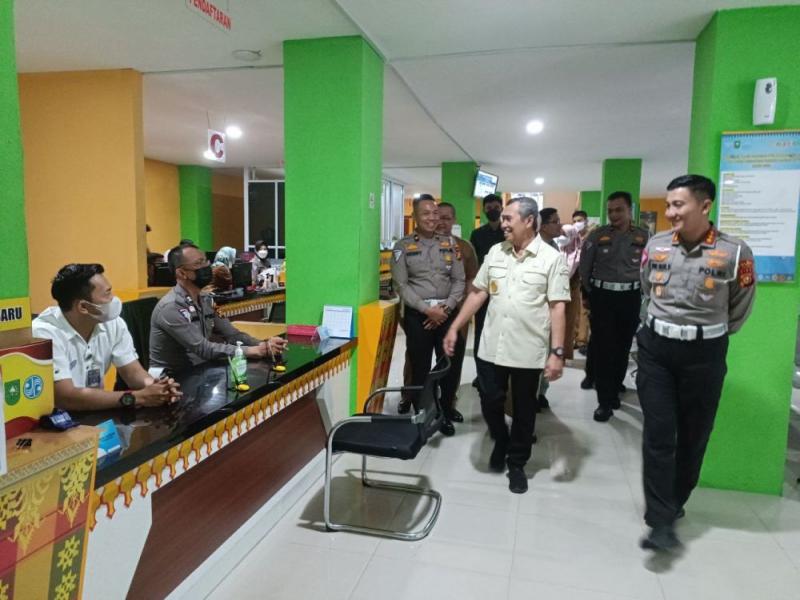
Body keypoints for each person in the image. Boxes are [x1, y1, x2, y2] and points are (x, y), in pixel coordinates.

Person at [637, 174, 755, 551]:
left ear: (705, 206)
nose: (670, 212)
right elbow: (647, 287)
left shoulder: (736, 252)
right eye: (668, 205)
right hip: (656, 349)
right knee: (658, 434)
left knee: (693, 435)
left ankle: (674, 503)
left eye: (678, 205)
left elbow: (740, 306)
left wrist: (704, 333)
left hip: (704, 355)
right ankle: (660, 519)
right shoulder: (656, 245)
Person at [444, 197, 570, 493]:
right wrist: (455, 326)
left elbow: (557, 307)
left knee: (525, 410)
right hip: (491, 346)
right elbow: (478, 293)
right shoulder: (495, 252)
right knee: (489, 400)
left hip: (528, 348)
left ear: (529, 221)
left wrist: (557, 352)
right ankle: (501, 438)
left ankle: (517, 463)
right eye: (502, 218)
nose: (502, 223)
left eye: (508, 218)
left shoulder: (551, 259)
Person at [32, 263, 181, 411]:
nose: (113, 299)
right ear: (83, 307)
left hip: (96, 412)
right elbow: (66, 397)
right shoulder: (44, 333)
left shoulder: (113, 323)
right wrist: (137, 397)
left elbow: (133, 372)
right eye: (107, 294)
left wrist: (157, 387)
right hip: (59, 418)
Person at [149, 244, 287, 372]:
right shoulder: (171, 307)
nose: (205, 266)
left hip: (200, 370)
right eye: (198, 263)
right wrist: (252, 351)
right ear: (181, 273)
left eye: (205, 261)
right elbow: (204, 349)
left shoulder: (205, 299)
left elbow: (233, 335)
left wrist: (264, 344)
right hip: (171, 378)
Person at [392, 195, 465, 436]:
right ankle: (423, 413)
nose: (432, 218)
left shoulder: (450, 244)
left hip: (446, 314)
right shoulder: (402, 247)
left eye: (435, 213)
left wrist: (446, 308)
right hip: (418, 316)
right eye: (426, 213)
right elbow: (401, 285)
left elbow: (459, 280)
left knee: (449, 363)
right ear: (415, 217)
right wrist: (427, 310)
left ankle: (445, 410)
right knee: (420, 367)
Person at [579, 191, 649, 422]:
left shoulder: (643, 236)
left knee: (622, 347)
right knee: (604, 349)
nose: (614, 215)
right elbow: (585, 268)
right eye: (610, 211)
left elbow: (649, 269)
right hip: (603, 298)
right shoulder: (597, 235)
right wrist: (590, 294)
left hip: (630, 297)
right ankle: (604, 402)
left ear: (630, 210)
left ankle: (615, 386)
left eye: (619, 210)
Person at [435, 201, 478, 421]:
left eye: (447, 218)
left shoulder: (465, 247)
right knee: (418, 363)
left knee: (452, 362)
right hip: (428, 314)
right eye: (438, 217)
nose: (441, 222)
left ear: (454, 220)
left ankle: (447, 405)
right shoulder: (422, 245)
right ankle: (417, 402)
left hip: (456, 315)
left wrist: (463, 310)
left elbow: (472, 279)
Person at [469, 193, 506, 390]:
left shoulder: (507, 232)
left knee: (501, 333)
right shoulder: (477, 234)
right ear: (484, 210)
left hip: (504, 292)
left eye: (496, 207)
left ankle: (499, 374)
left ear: (502, 208)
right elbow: (473, 263)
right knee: (481, 333)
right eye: (489, 207)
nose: (493, 210)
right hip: (483, 291)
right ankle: (481, 374)